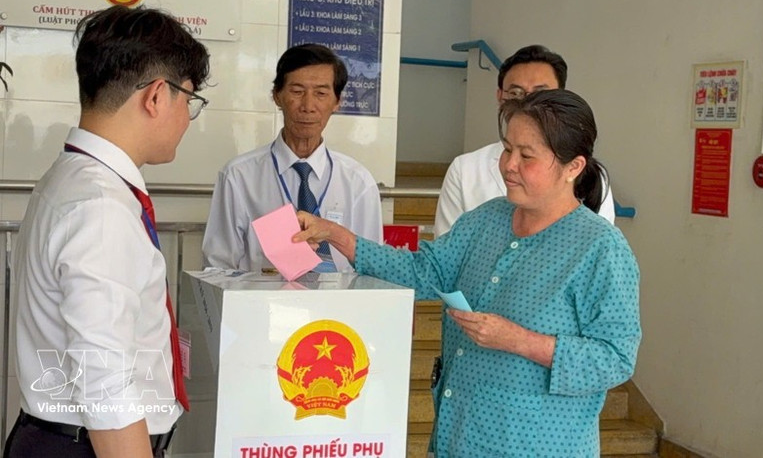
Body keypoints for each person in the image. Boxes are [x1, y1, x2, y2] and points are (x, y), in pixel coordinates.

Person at [294, 89, 641, 457]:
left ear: (574, 167)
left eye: (527, 156)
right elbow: (426, 270)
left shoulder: (600, 248)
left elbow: (614, 359)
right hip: (460, 433)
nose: (509, 165)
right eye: (508, 149)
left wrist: (519, 340)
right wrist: (338, 236)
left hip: (537, 443)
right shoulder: (487, 219)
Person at [4, 5, 211, 458]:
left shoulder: (75, 178)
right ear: (157, 96)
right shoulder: (100, 205)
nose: (186, 120)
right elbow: (106, 383)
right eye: (189, 100)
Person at [202, 43, 382, 272]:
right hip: (261, 303)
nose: (308, 106)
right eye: (297, 92)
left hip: (338, 306)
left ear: (337, 101)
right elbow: (218, 267)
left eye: (321, 93)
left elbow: (372, 267)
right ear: (277, 96)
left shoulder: (358, 182)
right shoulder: (238, 176)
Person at [434, 44, 616, 237]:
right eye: (516, 94)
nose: (528, 103)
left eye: (541, 94)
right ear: (500, 96)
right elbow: (447, 255)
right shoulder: (466, 170)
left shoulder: (602, 240)